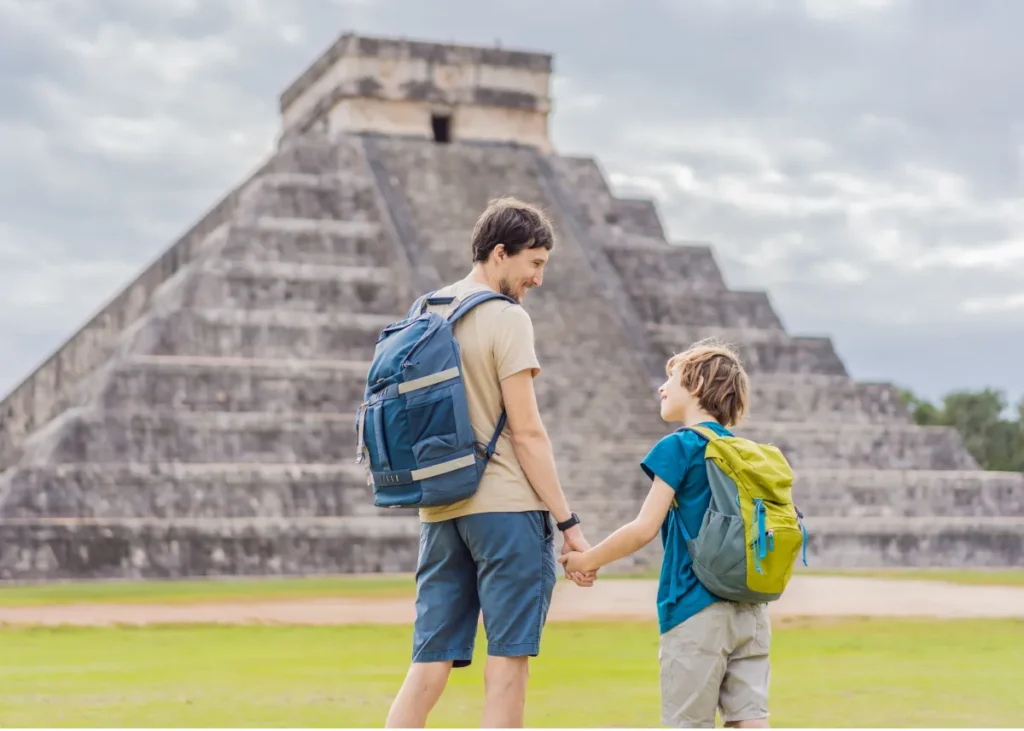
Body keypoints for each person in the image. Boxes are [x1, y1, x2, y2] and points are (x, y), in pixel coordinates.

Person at [385, 197, 596, 729]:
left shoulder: (424, 309)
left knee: (427, 663)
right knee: (508, 661)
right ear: (500, 253)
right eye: (535, 263)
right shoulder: (506, 318)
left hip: (439, 509)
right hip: (505, 510)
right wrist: (568, 525)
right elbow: (527, 433)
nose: (539, 279)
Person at [560, 340, 771, 729]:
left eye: (670, 378)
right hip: (751, 610)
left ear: (696, 384)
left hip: (695, 610)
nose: (661, 387)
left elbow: (643, 528)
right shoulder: (747, 452)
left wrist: (585, 560)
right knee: (751, 722)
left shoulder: (681, 446)